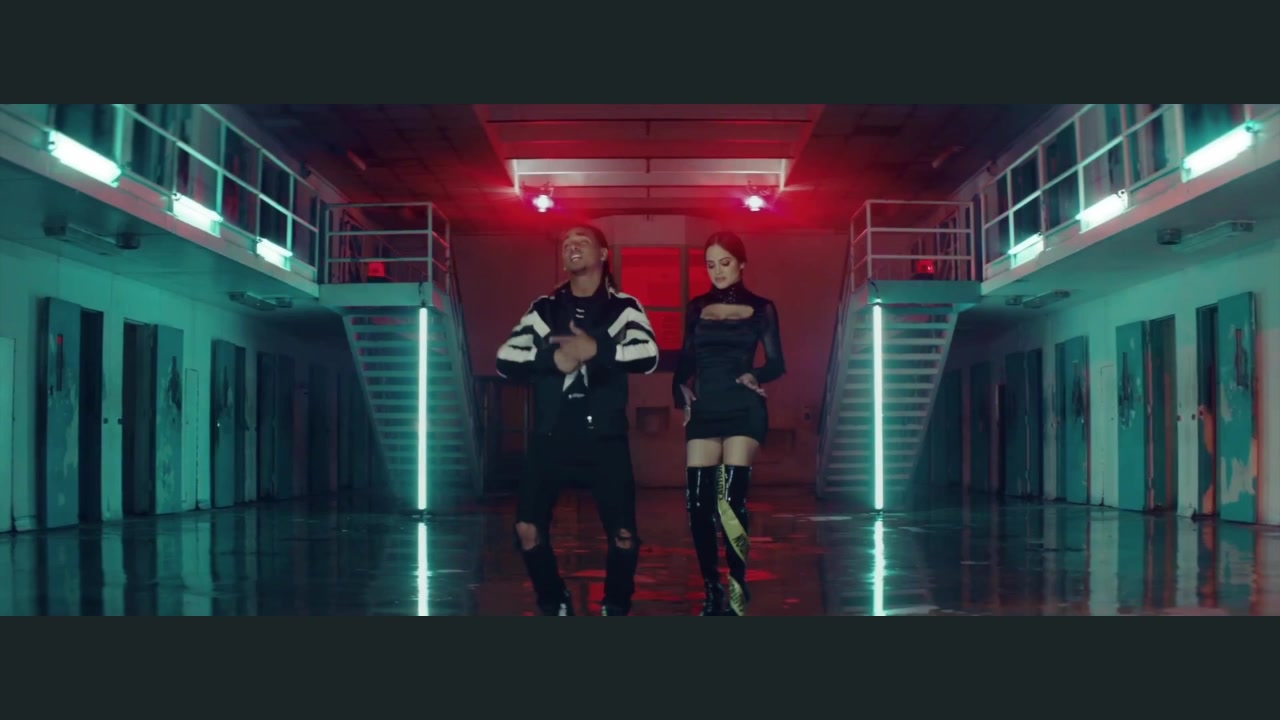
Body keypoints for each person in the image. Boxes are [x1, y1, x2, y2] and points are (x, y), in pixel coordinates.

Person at [495, 224, 660, 616]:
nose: (571, 246)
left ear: (603, 254)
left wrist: (596, 350)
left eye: (582, 241)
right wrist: (553, 360)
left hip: (604, 436)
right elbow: (505, 358)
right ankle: (554, 602)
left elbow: (648, 354)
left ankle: (615, 606)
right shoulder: (545, 309)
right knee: (527, 529)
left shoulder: (623, 308)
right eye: (566, 242)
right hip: (551, 434)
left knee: (623, 534)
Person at [672, 231, 785, 616]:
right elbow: (686, 360)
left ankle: (737, 581)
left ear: (741, 264)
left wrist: (757, 374)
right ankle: (711, 586)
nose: (717, 271)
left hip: (743, 406)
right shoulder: (697, 307)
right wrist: (680, 391)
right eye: (710, 265)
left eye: (724, 263)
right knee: (697, 504)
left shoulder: (762, 308)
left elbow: (777, 363)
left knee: (731, 502)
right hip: (705, 408)